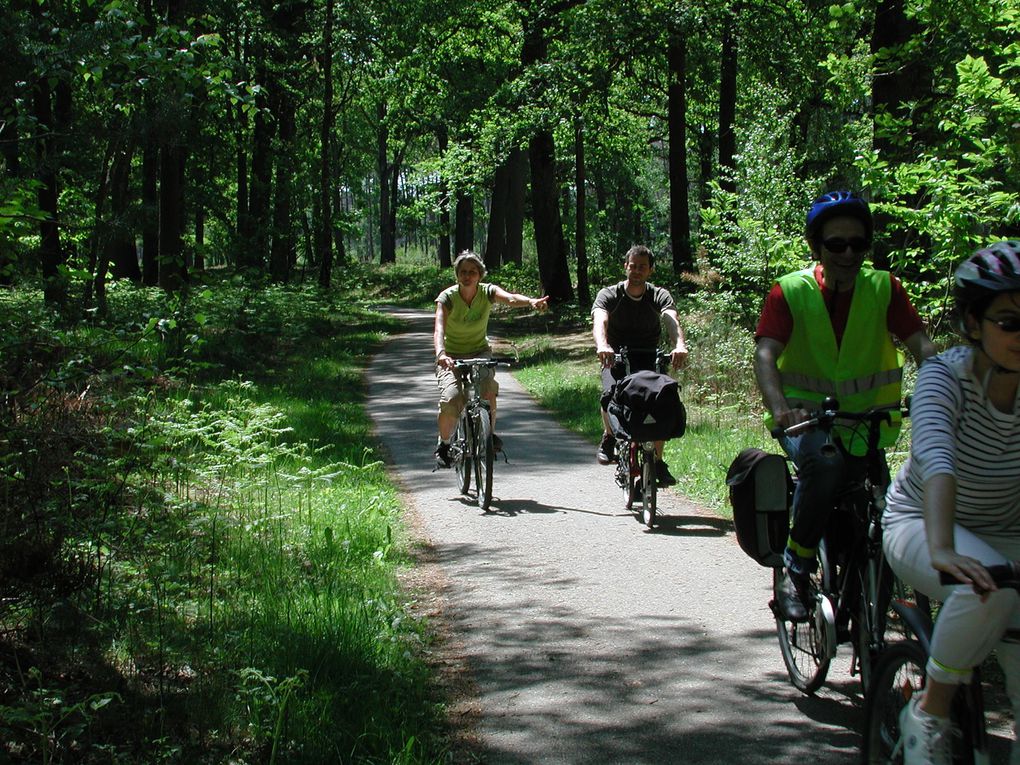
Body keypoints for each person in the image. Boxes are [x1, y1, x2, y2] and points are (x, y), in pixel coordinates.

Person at [753, 190, 936, 621]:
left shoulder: (883, 289)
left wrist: (943, 394)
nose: (848, 253)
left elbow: (923, 349)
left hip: (868, 423)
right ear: (817, 246)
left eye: (858, 244)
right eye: (836, 244)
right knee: (827, 466)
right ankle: (795, 566)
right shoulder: (791, 291)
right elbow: (765, 354)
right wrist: (782, 409)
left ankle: (870, 618)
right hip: (806, 423)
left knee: (884, 514)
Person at [882, 241, 1020, 765]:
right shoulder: (947, 376)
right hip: (922, 523)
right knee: (988, 585)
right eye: (1009, 322)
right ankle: (929, 712)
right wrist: (941, 547)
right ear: (972, 320)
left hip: (1007, 528)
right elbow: (938, 459)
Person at [433, 251, 549, 469]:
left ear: (480, 275)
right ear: (457, 274)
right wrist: (441, 354)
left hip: (479, 351)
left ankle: (489, 434)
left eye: (472, 272)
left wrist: (532, 302)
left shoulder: (487, 292)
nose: (467, 276)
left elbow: (511, 298)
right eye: (463, 272)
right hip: (451, 356)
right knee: (452, 398)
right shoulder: (447, 297)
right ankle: (445, 443)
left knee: (488, 389)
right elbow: (439, 328)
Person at [592, 244, 689, 487]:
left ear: (650, 271)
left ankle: (657, 461)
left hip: (648, 354)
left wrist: (679, 344)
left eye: (642, 267)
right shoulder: (610, 294)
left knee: (662, 401)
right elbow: (600, 319)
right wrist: (603, 345)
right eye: (632, 266)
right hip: (614, 355)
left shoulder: (658, 294)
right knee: (609, 396)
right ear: (625, 266)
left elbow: (670, 318)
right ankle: (610, 437)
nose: (636, 271)